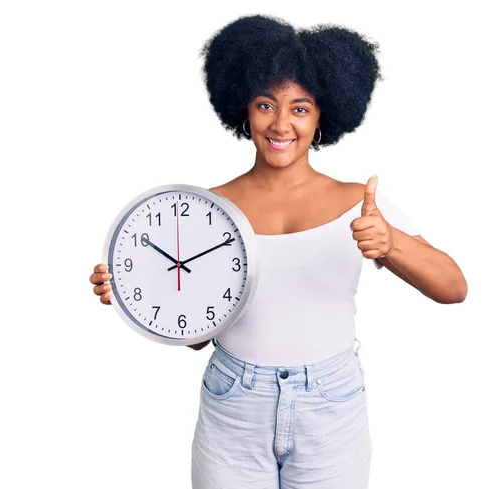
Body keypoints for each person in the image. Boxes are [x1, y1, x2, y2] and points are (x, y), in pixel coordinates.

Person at [89, 14, 468, 489]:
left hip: (330, 405)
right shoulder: (210, 209)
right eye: (266, 105)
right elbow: (197, 336)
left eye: (301, 108)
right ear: (244, 110)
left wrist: (389, 244)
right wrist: (137, 293)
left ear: (323, 115)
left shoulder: (357, 202)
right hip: (233, 404)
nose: (281, 123)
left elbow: (454, 287)